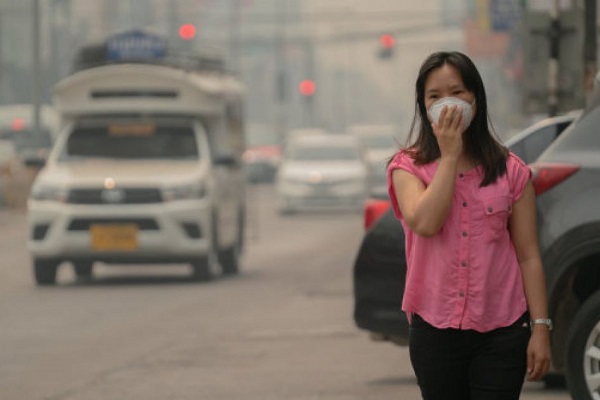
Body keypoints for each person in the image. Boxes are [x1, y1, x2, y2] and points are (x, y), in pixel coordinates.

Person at [387, 51, 551, 400]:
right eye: (435, 96)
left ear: (476, 98)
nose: (448, 103)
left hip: (502, 329)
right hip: (434, 329)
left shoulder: (512, 171)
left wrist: (540, 328)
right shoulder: (407, 167)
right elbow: (425, 223)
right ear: (423, 105)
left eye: (458, 92)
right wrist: (448, 156)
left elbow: (528, 256)